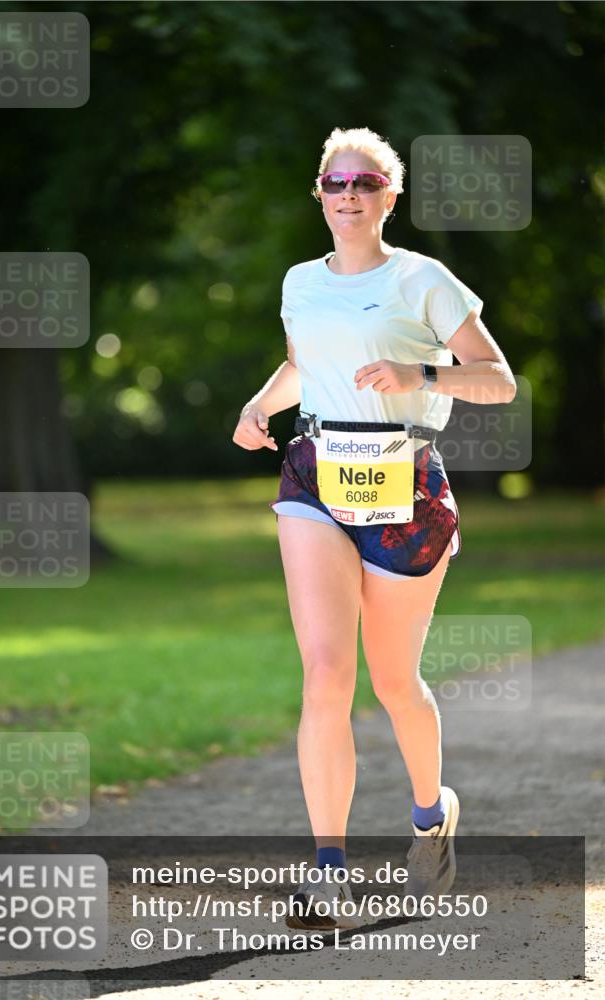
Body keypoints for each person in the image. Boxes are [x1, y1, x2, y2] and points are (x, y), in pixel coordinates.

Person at [232, 126, 516, 930]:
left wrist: (417, 373)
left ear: (389, 198)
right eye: (334, 181)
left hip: (405, 485)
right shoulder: (299, 282)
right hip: (315, 477)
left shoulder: (424, 280)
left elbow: (496, 380)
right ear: (318, 193)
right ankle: (327, 870)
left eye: (364, 182)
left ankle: (430, 815)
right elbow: (302, 364)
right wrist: (260, 407)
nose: (347, 194)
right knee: (325, 672)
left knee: (394, 682)